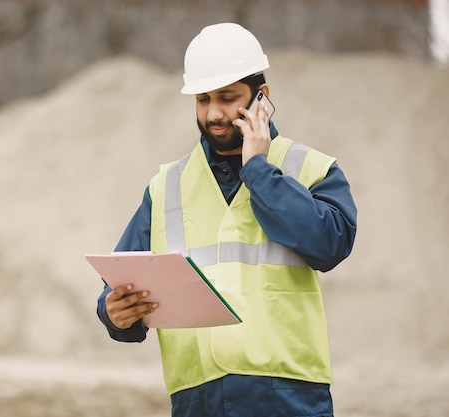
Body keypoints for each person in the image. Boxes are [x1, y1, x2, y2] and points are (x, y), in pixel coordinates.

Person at [96, 22, 357, 417]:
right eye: (203, 99)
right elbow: (120, 280)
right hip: (197, 398)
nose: (213, 113)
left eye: (227, 97)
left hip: (288, 396)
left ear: (261, 98)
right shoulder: (167, 185)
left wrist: (259, 171)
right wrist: (115, 314)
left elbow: (331, 244)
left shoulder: (310, 168)